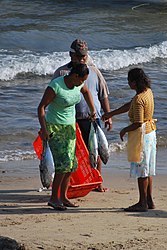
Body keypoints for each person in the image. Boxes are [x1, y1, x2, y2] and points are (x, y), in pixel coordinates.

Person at [53, 39, 112, 192]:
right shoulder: (62, 73)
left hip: (93, 118)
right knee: (73, 153)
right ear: (71, 55)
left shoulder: (93, 71)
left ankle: (97, 181)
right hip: (71, 120)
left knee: (96, 151)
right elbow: (52, 98)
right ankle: (74, 182)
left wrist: (108, 115)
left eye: (84, 56)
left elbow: (103, 94)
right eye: (78, 56)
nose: (82, 59)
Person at [38, 63, 96, 211]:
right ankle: (53, 198)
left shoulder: (79, 84)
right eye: (82, 79)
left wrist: (93, 110)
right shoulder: (56, 85)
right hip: (55, 128)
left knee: (71, 165)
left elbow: (86, 92)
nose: (83, 83)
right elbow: (41, 108)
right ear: (75, 76)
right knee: (62, 165)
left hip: (70, 128)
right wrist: (44, 129)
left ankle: (63, 197)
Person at [102, 68, 157, 212]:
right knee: (148, 170)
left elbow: (138, 123)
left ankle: (142, 202)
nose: (128, 83)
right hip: (151, 133)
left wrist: (124, 130)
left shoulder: (139, 99)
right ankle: (149, 200)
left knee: (141, 170)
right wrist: (111, 113)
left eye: (128, 81)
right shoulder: (147, 92)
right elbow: (129, 105)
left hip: (142, 135)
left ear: (134, 82)